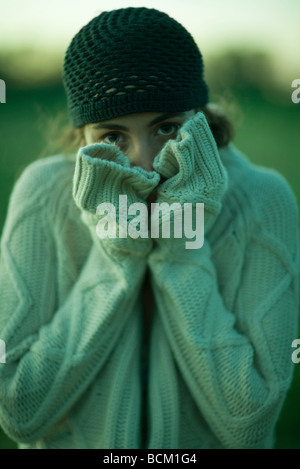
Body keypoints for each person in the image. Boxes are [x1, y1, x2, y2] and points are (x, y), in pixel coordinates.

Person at [0, 7, 298, 450]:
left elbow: (249, 423)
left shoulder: (262, 200)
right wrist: (116, 253)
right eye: (113, 136)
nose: (146, 164)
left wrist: (181, 246)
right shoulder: (42, 194)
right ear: (81, 135)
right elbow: (19, 412)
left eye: (166, 127)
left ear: (198, 117)